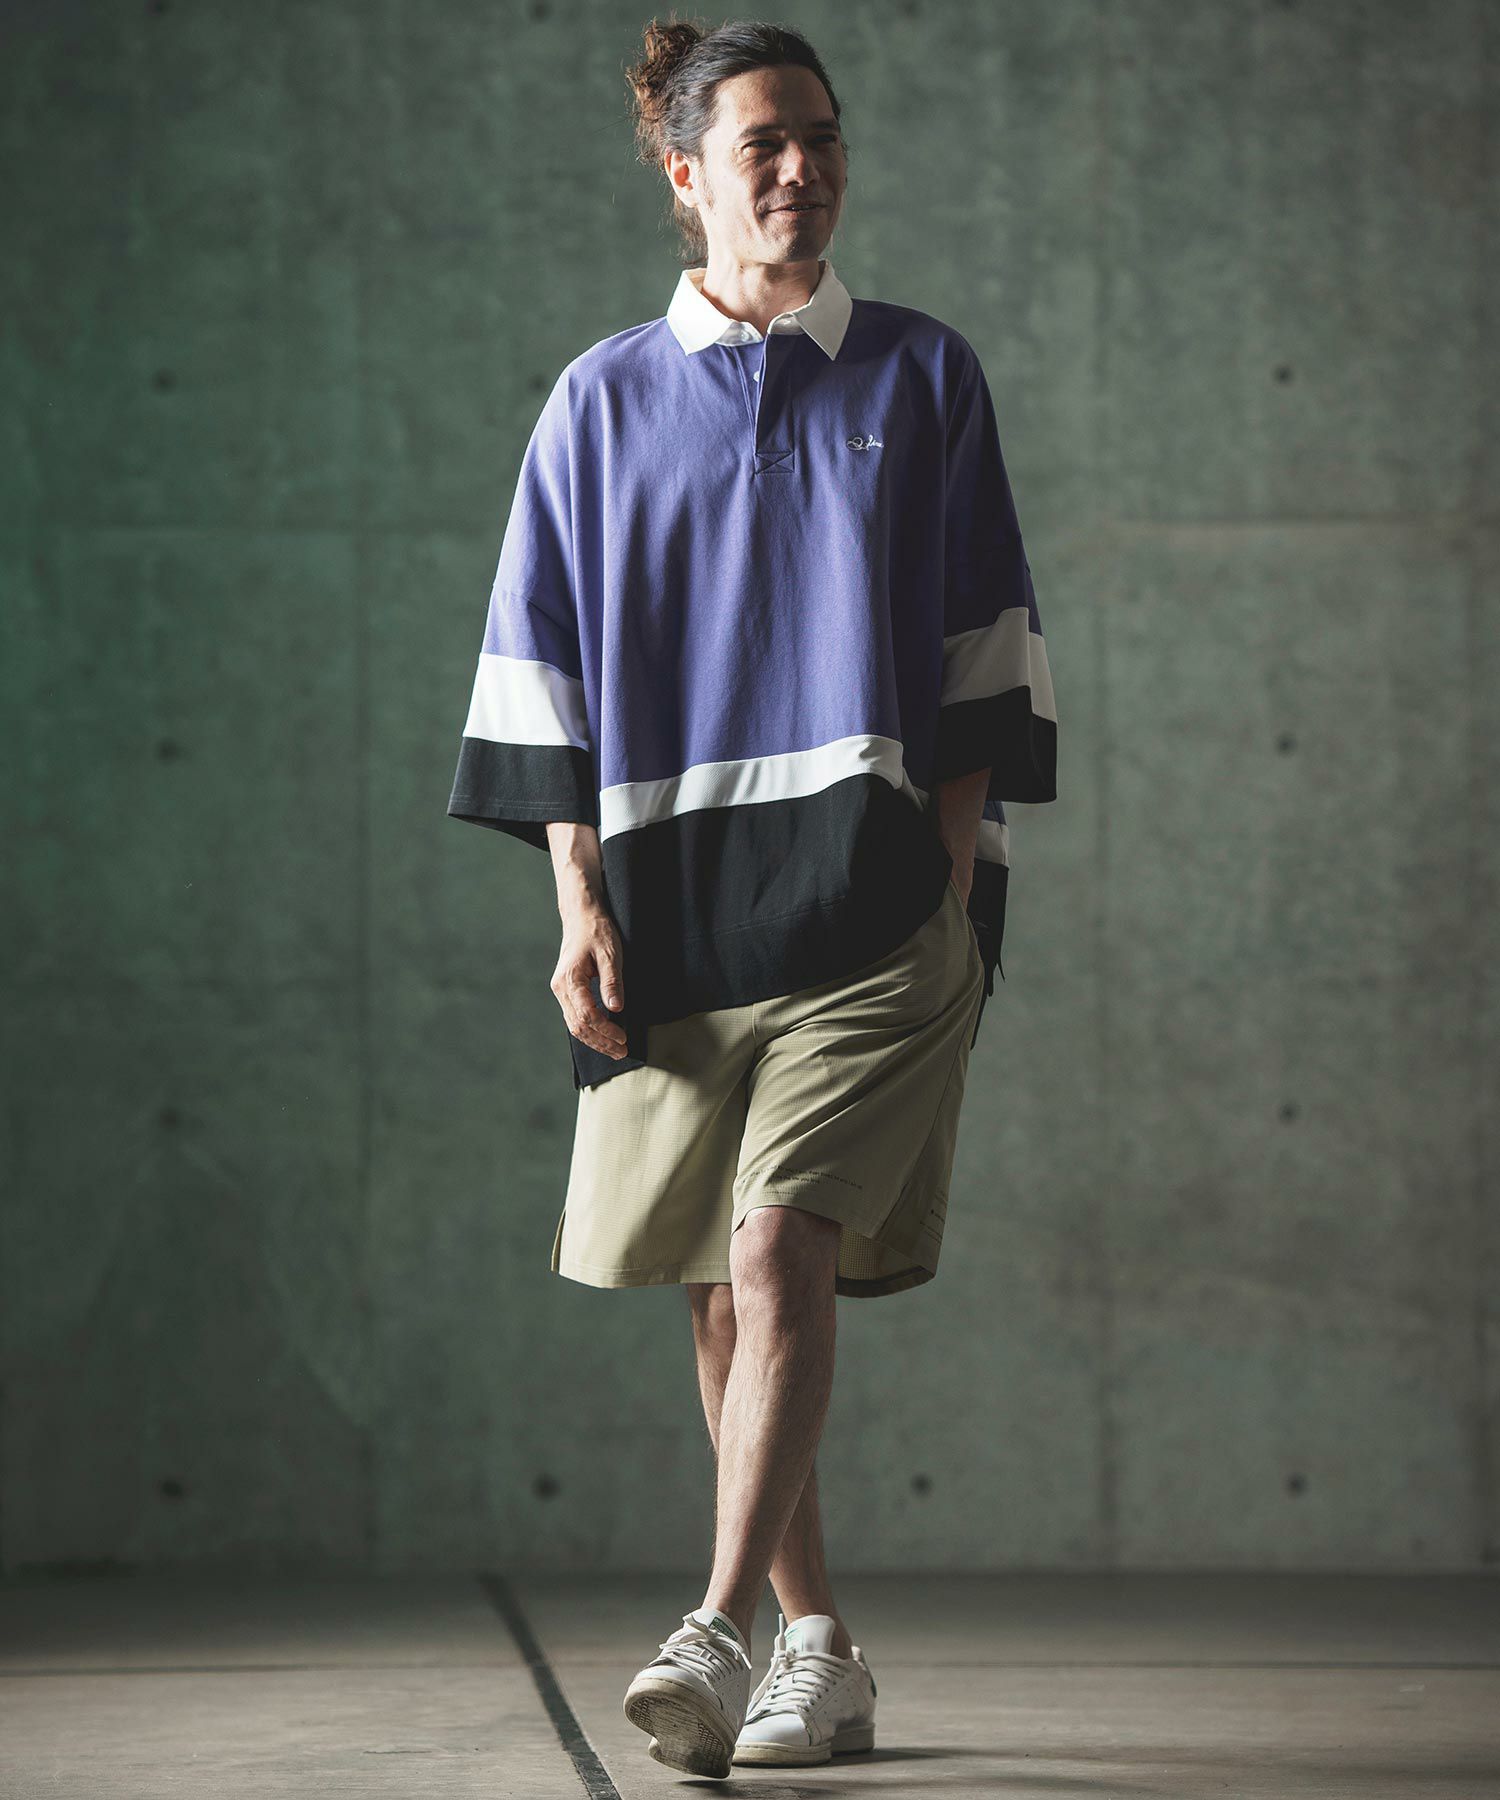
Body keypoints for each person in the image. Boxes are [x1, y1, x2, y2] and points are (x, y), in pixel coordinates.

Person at [446, 16, 1058, 1780]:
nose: (803, 168)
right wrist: (578, 910)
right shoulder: (597, 401)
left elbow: (986, 649)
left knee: (783, 1245)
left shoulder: (925, 376)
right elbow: (542, 672)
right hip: (672, 911)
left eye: (823, 136)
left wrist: (943, 885)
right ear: (685, 171)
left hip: (876, 902)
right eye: (764, 141)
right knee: (724, 1298)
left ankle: (710, 1632)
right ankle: (821, 1650)